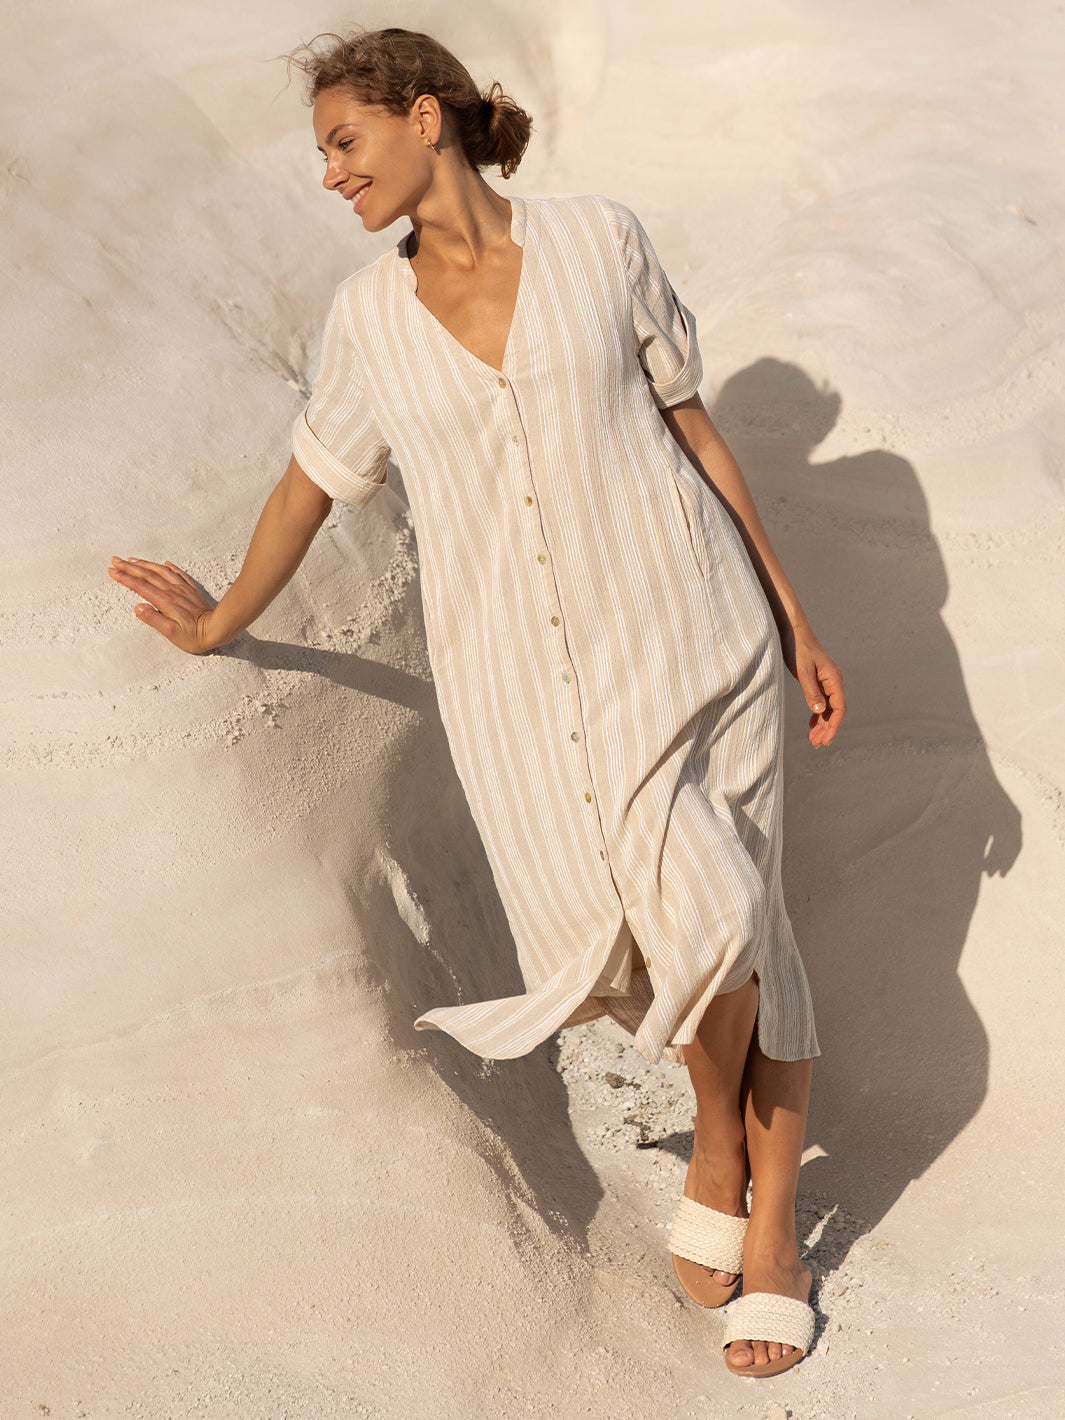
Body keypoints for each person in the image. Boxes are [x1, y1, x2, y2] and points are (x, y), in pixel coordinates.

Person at [108, 26, 846, 1378]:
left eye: (344, 141)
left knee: (731, 911)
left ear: (424, 117)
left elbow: (690, 426)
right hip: (518, 679)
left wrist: (793, 618)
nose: (332, 176)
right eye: (323, 152)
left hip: (691, 628)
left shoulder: (599, 241)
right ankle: (722, 1130)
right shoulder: (369, 322)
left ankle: (773, 1219)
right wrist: (217, 619)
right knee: (649, 925)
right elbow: (308, 485)